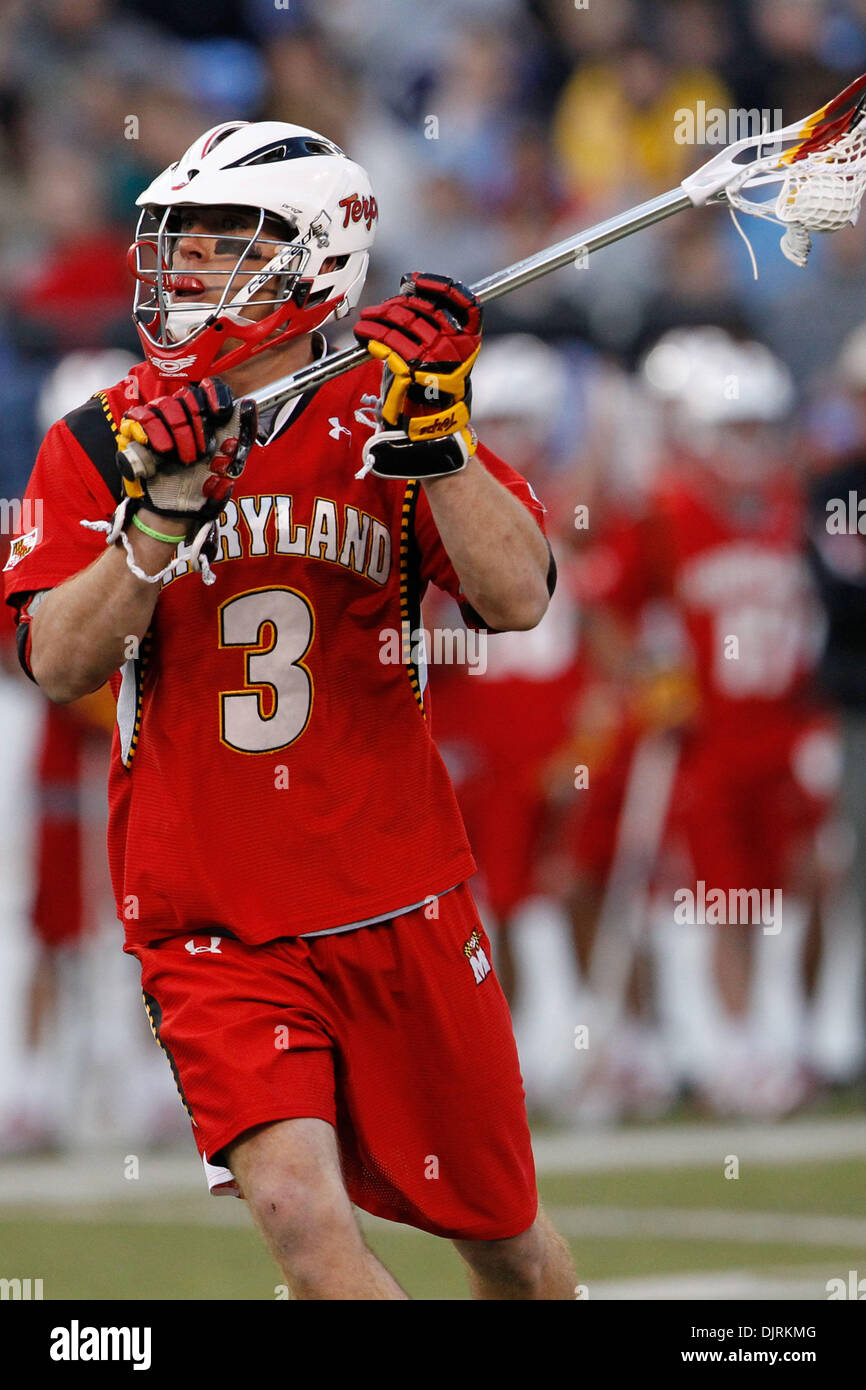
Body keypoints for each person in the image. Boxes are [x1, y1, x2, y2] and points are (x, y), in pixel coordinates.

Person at [3, 120, 575, 1300]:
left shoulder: (391, 404)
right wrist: (155, 519)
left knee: (509, 1246)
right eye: (175, 242)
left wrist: (437, 439)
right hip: (209, 911)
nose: (186, 271)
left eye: (222, 243)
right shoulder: (105, 438)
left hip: (394, 885)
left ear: (316, 257)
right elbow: (55, 659)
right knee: (301, 1220)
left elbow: (518, 596)